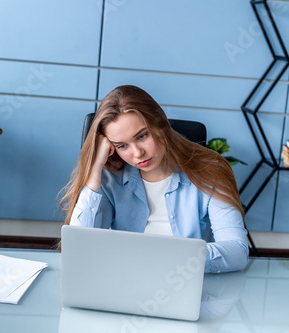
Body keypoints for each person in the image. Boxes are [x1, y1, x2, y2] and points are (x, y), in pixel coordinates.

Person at [60, 85, 248, 273]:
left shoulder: (210, 169)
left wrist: (170, 261)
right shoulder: (109, 177)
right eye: (122, 145)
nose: (137, 153)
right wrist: (93, 173)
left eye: (142, 136)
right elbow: (78, 251)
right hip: (123, 283)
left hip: (184, 283)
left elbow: (237, 251)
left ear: (160, 124)